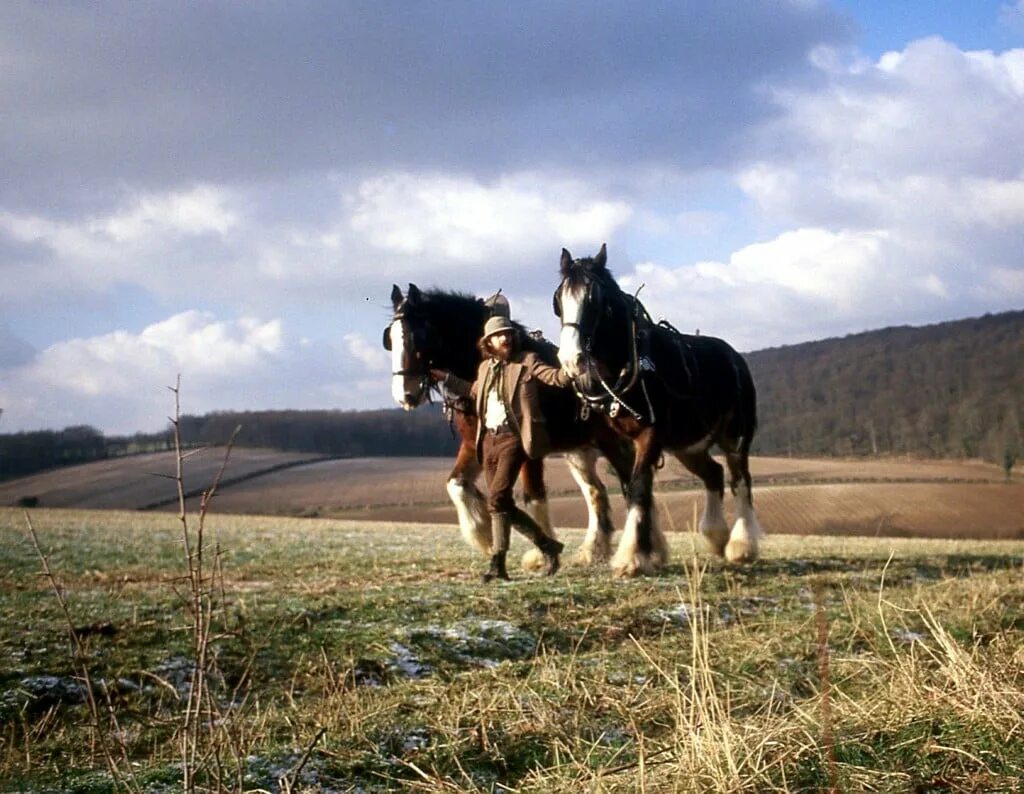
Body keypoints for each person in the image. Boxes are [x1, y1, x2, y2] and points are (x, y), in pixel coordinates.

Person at [431, 314, 574, 582]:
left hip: (513, 439)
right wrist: (446, 378)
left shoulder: (527, 362)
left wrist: (571, 371)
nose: (505, 338)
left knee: (496, 499)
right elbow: (473, 390)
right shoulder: (485, 368)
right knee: (504, 503)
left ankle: (498, 564)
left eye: (508, 334)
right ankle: (548, 546)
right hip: (489, 442)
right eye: (499, 335)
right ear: (488, 342)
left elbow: (554, 377)